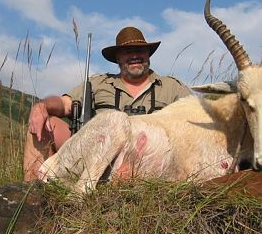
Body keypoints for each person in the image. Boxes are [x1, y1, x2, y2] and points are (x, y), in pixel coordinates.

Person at [23, 26, 191, 181]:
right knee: (44, 124)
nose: (134, 56)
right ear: (117, 58)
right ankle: (31, 196)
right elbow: (64, 103)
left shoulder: (172, 87)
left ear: (148, 54)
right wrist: (41, 106)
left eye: (139, 50)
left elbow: (196, 116)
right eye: (127, 52)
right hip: (95, 155)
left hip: (153, 161)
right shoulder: (98, 84)